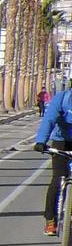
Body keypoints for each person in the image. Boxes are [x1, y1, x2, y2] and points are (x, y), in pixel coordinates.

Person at [34, 81, 72, 234]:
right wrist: (41, 142)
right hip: (61, 142)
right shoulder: (61, 99)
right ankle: (51, 221)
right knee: (58, 179)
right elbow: (49, 119)